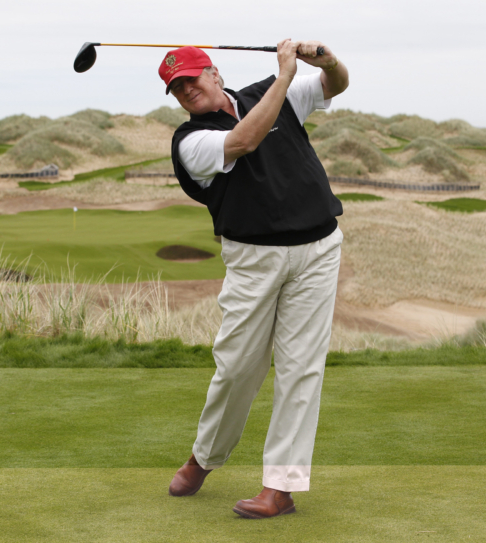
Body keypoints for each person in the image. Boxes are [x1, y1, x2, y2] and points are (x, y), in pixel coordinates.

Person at [160, 39, 349, 519]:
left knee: (301, 368)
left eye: (191, 79)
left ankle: (279, 488)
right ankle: (205, 457)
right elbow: (245, 139)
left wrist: (327, 62)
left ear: (215, 73)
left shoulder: (271, 90)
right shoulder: (190, 142)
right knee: (238, 367)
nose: (185, 90)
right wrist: (284, 75)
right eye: (175, 87)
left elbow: (334, 86)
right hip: (254, 259)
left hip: (318, 249)